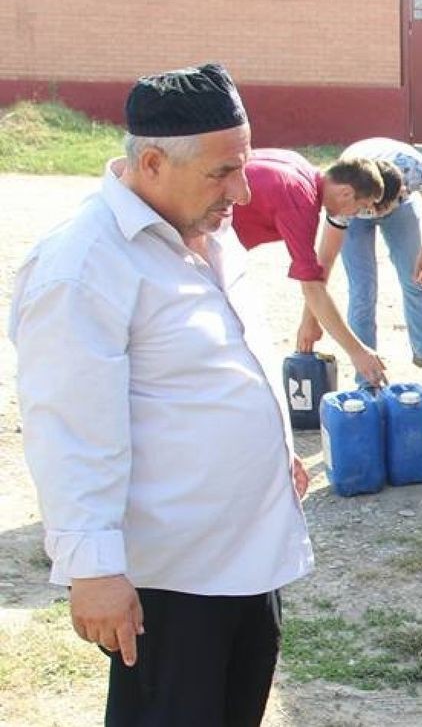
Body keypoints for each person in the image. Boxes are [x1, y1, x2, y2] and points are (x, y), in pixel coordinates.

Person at [8, 63, 314, 725]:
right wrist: (92, 568)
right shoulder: (84, 264)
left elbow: (225, 358)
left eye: (244, 164)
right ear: (150, 162)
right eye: (221, 172)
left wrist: (273, 451)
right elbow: (66, 425)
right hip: (172, 578)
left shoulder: (201, 224)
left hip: (246, 553)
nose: (241, 188)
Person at [231, 148, 388, 386]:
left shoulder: (299, 164)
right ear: (346, 193)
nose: (356, 215)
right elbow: (313, 288)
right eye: (361, 207)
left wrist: (311, 321)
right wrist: (358, 352)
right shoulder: (301, 201)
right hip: (195, 237)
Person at [314, 138, 422, 383]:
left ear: (402, 192)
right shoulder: (348, 197)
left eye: (381, 208)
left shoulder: (415, 172)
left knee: (415, 278)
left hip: (397, 209)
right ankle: (367, 374)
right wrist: (311, 318)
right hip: (354, 213)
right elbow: (324, 261)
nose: (375, 214)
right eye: (370, 208)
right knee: (362, 291)